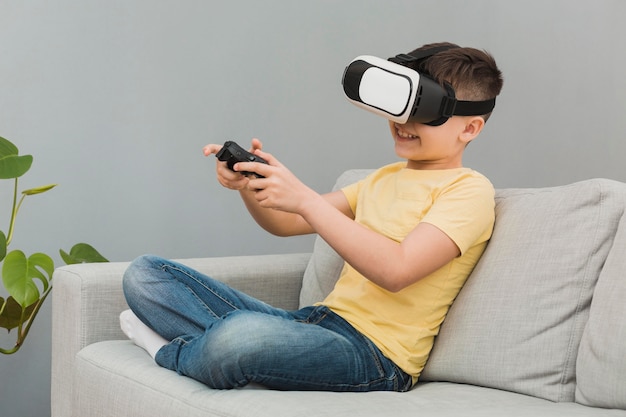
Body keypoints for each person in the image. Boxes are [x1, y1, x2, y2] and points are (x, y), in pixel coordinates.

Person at [120, 42, 504, 392]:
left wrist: (305, 199)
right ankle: (212, 347)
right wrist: (252, 185)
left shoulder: (468, 191)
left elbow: (397, 271)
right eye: (400, 108)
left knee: (242, 338)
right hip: (317, 322)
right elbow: (285, 224)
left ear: (470, 128)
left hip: (376, 355)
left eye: (424, 113)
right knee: (145, 274)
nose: (403, 122)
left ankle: (170, 353)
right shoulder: (383, 179)